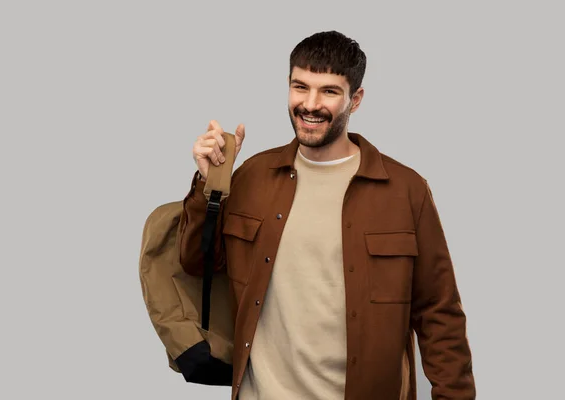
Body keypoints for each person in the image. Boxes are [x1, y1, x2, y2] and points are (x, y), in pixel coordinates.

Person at [179, 30, 475, 400]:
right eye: (300, 87)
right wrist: (209, 185)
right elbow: (196, 263)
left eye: (329, 91)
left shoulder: (406, 191)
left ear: (356, 100)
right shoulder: (252, 176)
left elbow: (439, 313)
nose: (310, 103)